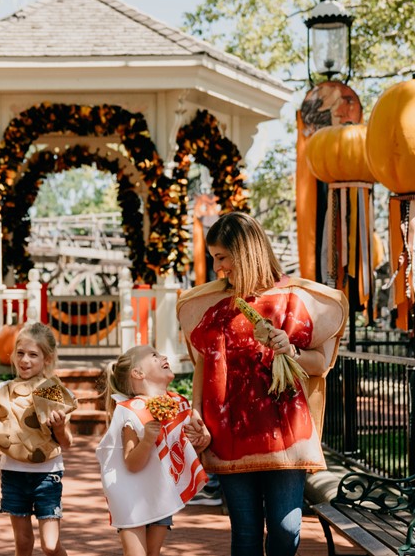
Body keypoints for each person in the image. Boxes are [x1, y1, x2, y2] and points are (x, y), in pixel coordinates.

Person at [177, 212, 346, 556]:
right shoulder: (213, 303)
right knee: (246, 534)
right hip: (229, 433)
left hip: (286, 434)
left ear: (245, 251)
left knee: (287, 532)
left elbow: (318, 365)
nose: (218, 268)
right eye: (215, 259)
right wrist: (195, 411)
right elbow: (203, 364)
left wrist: (291, 350)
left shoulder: (294, 299)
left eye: (222, 257)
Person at [96, 346, 210, 556]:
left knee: (153, 553)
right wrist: (148, 439)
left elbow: (184, 449)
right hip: (130, 495)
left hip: (159, 492)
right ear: (138, 373)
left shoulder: (177, 404)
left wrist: (200, 439)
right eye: (154, 356)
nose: (164, 356)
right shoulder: (131, 411)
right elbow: (131, 463)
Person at [0, 323, 73, 556]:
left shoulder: (51, 391)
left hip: (47, 474)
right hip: (13, 473)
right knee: (23, 543)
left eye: (33, 355)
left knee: (51, 545)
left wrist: (59, 427)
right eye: (20, 353)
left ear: (47, 359)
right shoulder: (3, 391)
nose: (25, 360)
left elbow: (66, 443)